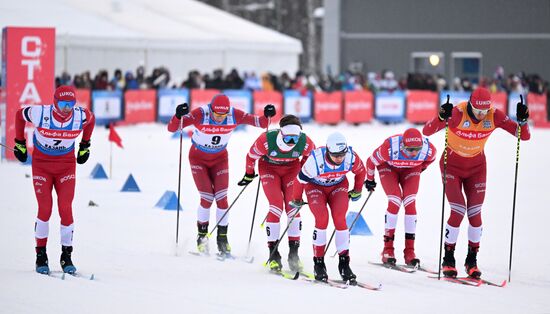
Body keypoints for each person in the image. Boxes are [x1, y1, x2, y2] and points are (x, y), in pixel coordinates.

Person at [423, 87, 530, 278]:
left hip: (477, 168)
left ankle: (471, 260)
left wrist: (523, 121)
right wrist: (441, 117)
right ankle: (448, 259)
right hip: (452, 167)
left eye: (484, 111)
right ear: (470, 104)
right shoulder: (457, 113)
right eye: (477, 111)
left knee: (475, 214)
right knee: (457, 210)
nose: (481, 115)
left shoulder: (494, 115)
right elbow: (427, 131)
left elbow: (523, 135)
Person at [167, 94, 275, 256]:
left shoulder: (234, 114)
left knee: (222, 199)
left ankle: (222, 239)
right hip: (198, 158)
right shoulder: (200, 114)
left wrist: (268, 115)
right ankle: (202, 237)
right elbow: (173, 128)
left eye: (222, 115)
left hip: (220, 159)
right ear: (211, 110)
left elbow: (260, 123)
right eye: (216, 114)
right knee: (207, 198)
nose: (219, 118)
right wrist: (178, 115)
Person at [13, 85, 96, 275]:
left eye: (71, 104)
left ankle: (66, 255)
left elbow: (91, 121)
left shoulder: (79, 115)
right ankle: (40, 255)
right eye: (63, 104)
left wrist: (85, 145)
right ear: (55, 102)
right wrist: (20, 142)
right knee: (45, 208)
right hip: (42, 165)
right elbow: (19, 115)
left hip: (66, 166)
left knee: (65, 208)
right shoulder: (40, 113)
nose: (67, 108)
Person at [238, 115, 315, 272]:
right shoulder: (266, 140)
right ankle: (273, 254)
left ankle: (294, 254)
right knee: (276, 206)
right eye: (288, 139)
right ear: (281, 134)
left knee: (293, 207)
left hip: (292, 170)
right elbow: (251, 156)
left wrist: (303, 172)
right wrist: (249, 173)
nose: (292, 143)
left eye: (295, 139)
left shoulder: (305, 142)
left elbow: (310, 157)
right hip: (269, 168)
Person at [290, 132, 366, 283]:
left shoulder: (351, 156)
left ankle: (344, 265)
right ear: (328, 151)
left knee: (340, 219)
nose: (339, 158)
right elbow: (299, 181)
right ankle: (319, 264)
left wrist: (358, 190)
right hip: (315, 187)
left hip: (338, 186)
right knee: (322, 218)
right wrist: (297, 199)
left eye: (342, 154)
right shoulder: (315, 160)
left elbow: (361, 171)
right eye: (335, 155)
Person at [364, 128, 437, 267]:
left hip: (411, 169)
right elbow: (370, 161)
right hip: (389, 168)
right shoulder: (389, 148)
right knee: (395, 200)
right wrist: (370, 179)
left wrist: (421, 167)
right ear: (403, 146)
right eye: (410, 150)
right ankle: (388, 250)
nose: (414, 153)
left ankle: (410, 251)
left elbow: (431, 159)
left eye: (417, 149)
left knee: (410, 202)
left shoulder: (428, 149)